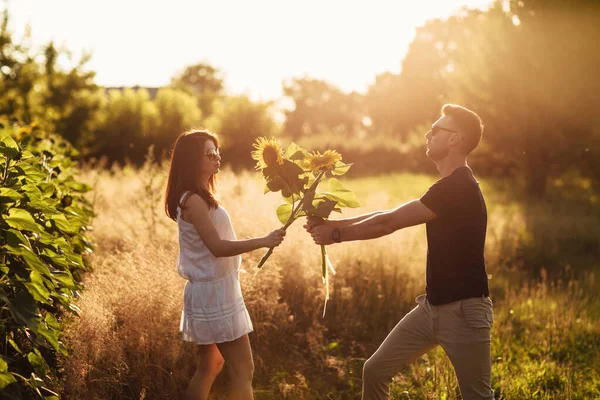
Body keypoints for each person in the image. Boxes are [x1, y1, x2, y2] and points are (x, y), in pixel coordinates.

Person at [305, 104, 494, 399]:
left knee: (477, 396)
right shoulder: (447, 187)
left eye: (436, 129)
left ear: (455, 139)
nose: (428, 135)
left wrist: (337, 235)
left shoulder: (459, 187)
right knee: (375, 370)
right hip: (432, 308)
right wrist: (333, 224)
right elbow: (388, 213)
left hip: (465, 312)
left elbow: (388, 223)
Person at [165, 129, 286, 400]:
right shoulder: (193, 200)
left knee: (211, 366)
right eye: (210, 153)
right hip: (214, 293)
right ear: (192, 160)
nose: (217, 157)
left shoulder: (197, 195)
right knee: (244, 370)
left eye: (217, 151)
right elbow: (217, 248)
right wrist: (262, 241)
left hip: (214, 289)